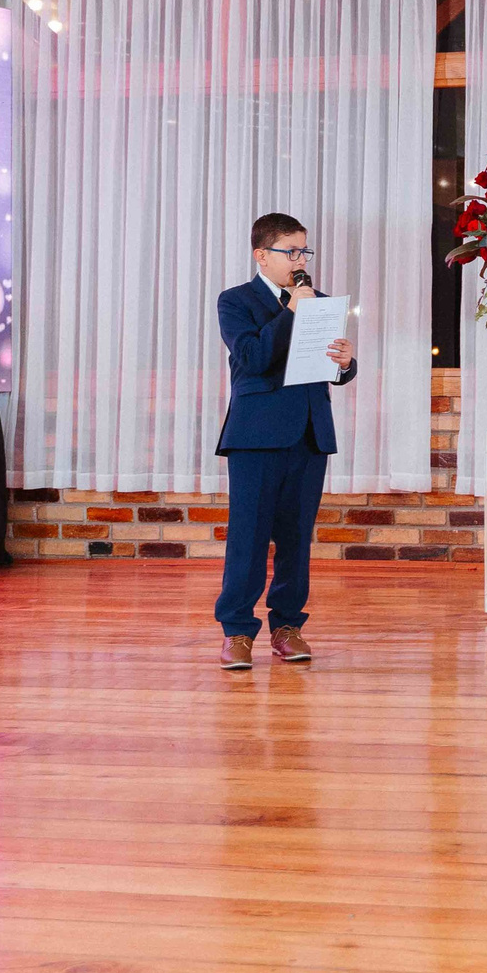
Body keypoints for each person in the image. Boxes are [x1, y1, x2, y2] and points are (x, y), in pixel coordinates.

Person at [213, 211, 357, 670]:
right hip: (256, 436)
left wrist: (345, 362)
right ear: (262, 255)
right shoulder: (235, 301)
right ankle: (237, 631)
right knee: (249, 537)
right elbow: (253, 359)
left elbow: (331, 370)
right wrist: (293, 309)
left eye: (304, 251)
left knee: (296, 539)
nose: (300, 259)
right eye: (290, 251)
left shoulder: (323, 302)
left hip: (308, 433)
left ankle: (288, 627)